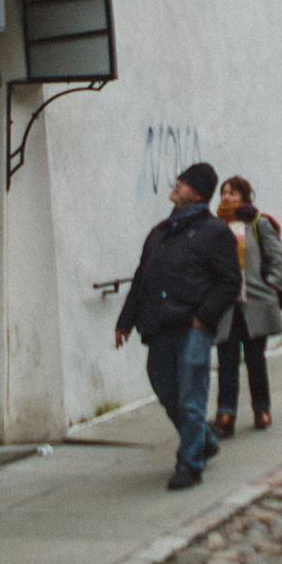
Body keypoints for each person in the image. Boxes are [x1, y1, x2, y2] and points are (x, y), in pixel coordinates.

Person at [114, 164, 242, 489]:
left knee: (190, 396)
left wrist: (204, 317)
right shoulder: (160, 232)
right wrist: (125, 321)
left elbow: (230, 281)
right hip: (160, 325)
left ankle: (190, 464)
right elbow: (142, 278)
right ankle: (204, 440)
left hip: (192, 327)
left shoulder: (215, 232)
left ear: (196, 192)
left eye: (182, 182)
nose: (176, 185)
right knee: (164, 386)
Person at [210, 176, 282, 434]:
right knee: (226, 360)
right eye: (223, 192)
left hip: (254, 303)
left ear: (244, 197)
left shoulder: (258, 223)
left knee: (256, 359)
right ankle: (226, 415)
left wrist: (269, 286)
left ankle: (261, 410)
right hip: (226, 306)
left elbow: (278, 260)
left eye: (232, 193)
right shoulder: (215, 227)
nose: (226, 197)